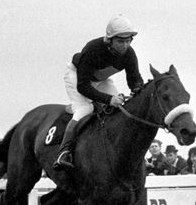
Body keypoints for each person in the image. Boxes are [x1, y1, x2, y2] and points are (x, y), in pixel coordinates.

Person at [55, 15, 143, 169]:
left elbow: (134, 80)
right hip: (77, 77)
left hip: (101, 79)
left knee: (121, 108)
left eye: (128, 40)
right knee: (85, 109)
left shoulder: (129, 53)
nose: (125, 45)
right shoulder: (93, 49)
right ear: (110, 40)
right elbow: (83, 86)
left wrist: (138, 91)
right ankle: (64, 152)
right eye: (120, 41)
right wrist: (109, 99)